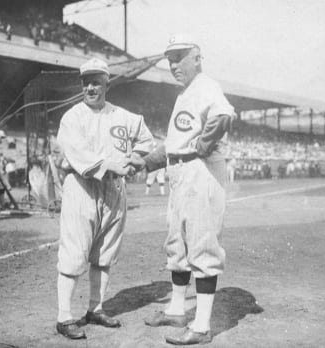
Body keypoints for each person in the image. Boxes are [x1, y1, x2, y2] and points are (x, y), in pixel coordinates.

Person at [128, 34, 235, 345]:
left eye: (180, 57)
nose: (173, 64)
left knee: (201, 247)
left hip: (200, 173)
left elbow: (224, 115)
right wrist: (144, 163)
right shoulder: (184, 94)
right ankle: (176, 310)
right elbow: (173, 145)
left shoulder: (206, 86)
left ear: (197, 58)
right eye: (170, 59)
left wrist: (202, 145)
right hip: (179, 171)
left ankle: (201, 326)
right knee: (177, 246)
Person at [55, 58, 154, 340]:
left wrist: (135, 159)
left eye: (96, 81)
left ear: (107, 83)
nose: (90, 87)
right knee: (75, 252)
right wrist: (112, 165)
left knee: (105, 253)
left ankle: (95, 309)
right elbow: (76, 153)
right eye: (86, 81)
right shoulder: (72, 116)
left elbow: (147, 142)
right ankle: (64, 317)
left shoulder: (124, 116)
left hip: (114, 190)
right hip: (82, 186)